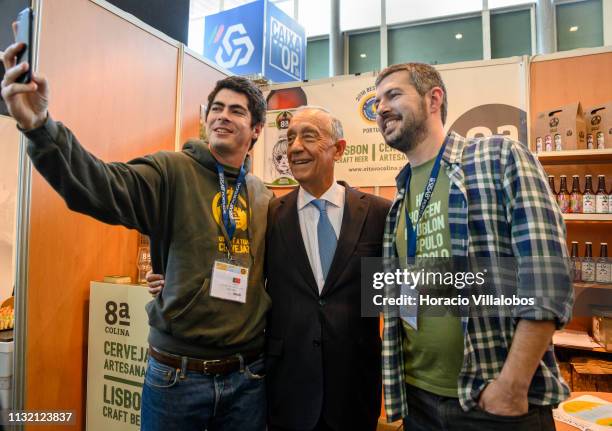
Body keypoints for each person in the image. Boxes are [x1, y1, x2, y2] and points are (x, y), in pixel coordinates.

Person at [2, 38, 272, 430]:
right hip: (178, 377)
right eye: (216, 108)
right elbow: (100, 186)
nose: (222, 116)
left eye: (236, 111)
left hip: (247, 377)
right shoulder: (171, 171)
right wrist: (41, 128)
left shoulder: (262, 196)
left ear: (256, 129)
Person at [149, 107, 389, 430]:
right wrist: (170, 277)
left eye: (309, 136)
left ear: (339, 149)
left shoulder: (378, 214)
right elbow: (237, 266)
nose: (295, 147)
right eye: (290, 138)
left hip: (354, 391)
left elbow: (402, 303)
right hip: (287, 392)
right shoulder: (271, 214)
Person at [374, 63, 573, 431]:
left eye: (394, 95)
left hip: (493, 403)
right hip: (419, 398)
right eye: (377, 101)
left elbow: (547, 278)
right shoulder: (400, 198)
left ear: (434, 99)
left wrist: (511, 386)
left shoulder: (498, 157)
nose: (381, 107)